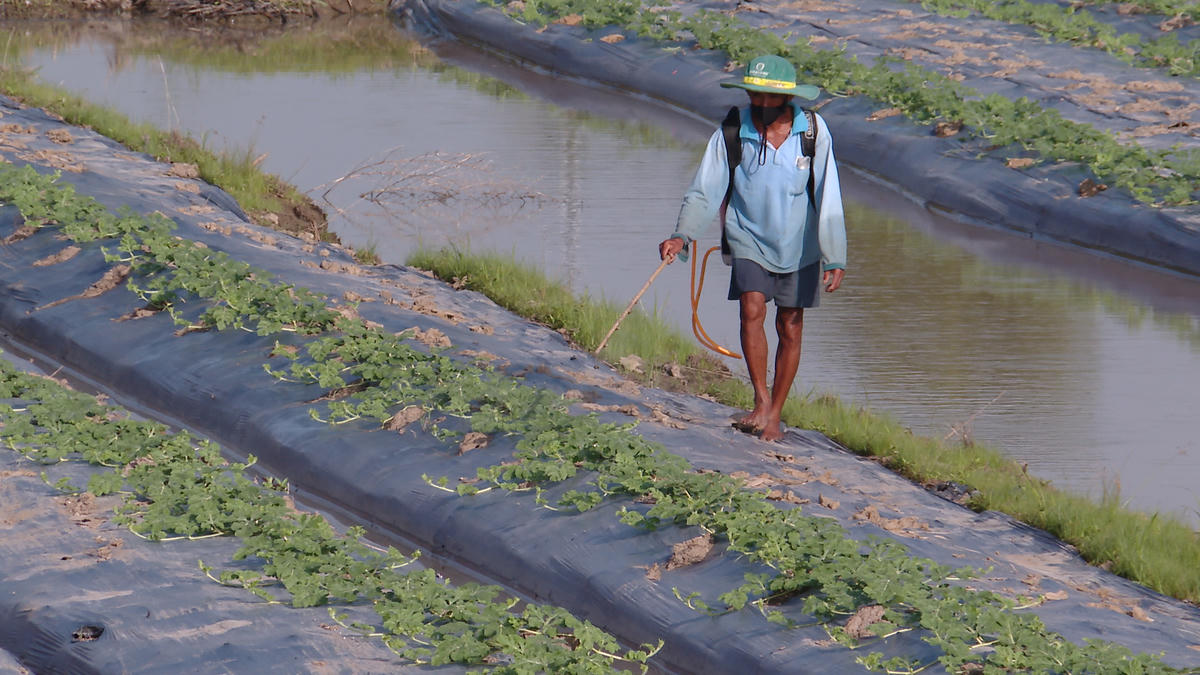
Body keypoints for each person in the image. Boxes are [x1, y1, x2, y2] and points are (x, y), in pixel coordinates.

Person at [658, 54, 847, 442]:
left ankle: (775, 415)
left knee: (789, 326)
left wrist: (835, 252)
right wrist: (682, 236)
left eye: (767, 98)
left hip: (801, 243)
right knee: (752, 307)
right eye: (754, 96)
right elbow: (705, 190)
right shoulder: (732, 129)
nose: (760, 105)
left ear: (787, 99)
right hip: (748, 236)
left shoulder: (812, 131)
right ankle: (760, 401)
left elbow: (829, 194)